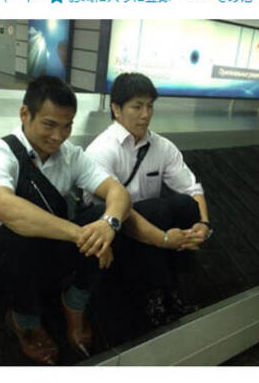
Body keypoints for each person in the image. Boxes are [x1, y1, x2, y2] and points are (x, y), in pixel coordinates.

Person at [0, 76, 131, 365]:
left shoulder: (71, 155)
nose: (59, 136)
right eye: (49, 124)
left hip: (52, 252)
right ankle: (24, 320)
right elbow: (4, 206)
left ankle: (74, 303)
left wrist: (108, 224)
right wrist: (79, 234)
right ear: (25, 114)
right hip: (7, 263)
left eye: (67, 126)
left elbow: (116, 192)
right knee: (16, 234)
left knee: (103, 221)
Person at [85, 72, 213, 326]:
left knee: (186, 206)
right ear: (116, 109)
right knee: (158, 211)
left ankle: (172, 289)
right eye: (137, 107)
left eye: (150, 106)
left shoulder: (162, 147)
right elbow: (115, 212)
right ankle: (153, 297)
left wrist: (204, 223)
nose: (145, 114)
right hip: (113, 232)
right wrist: (162, 238)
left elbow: (191, 188)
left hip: (153, 223)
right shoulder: (101, 150)